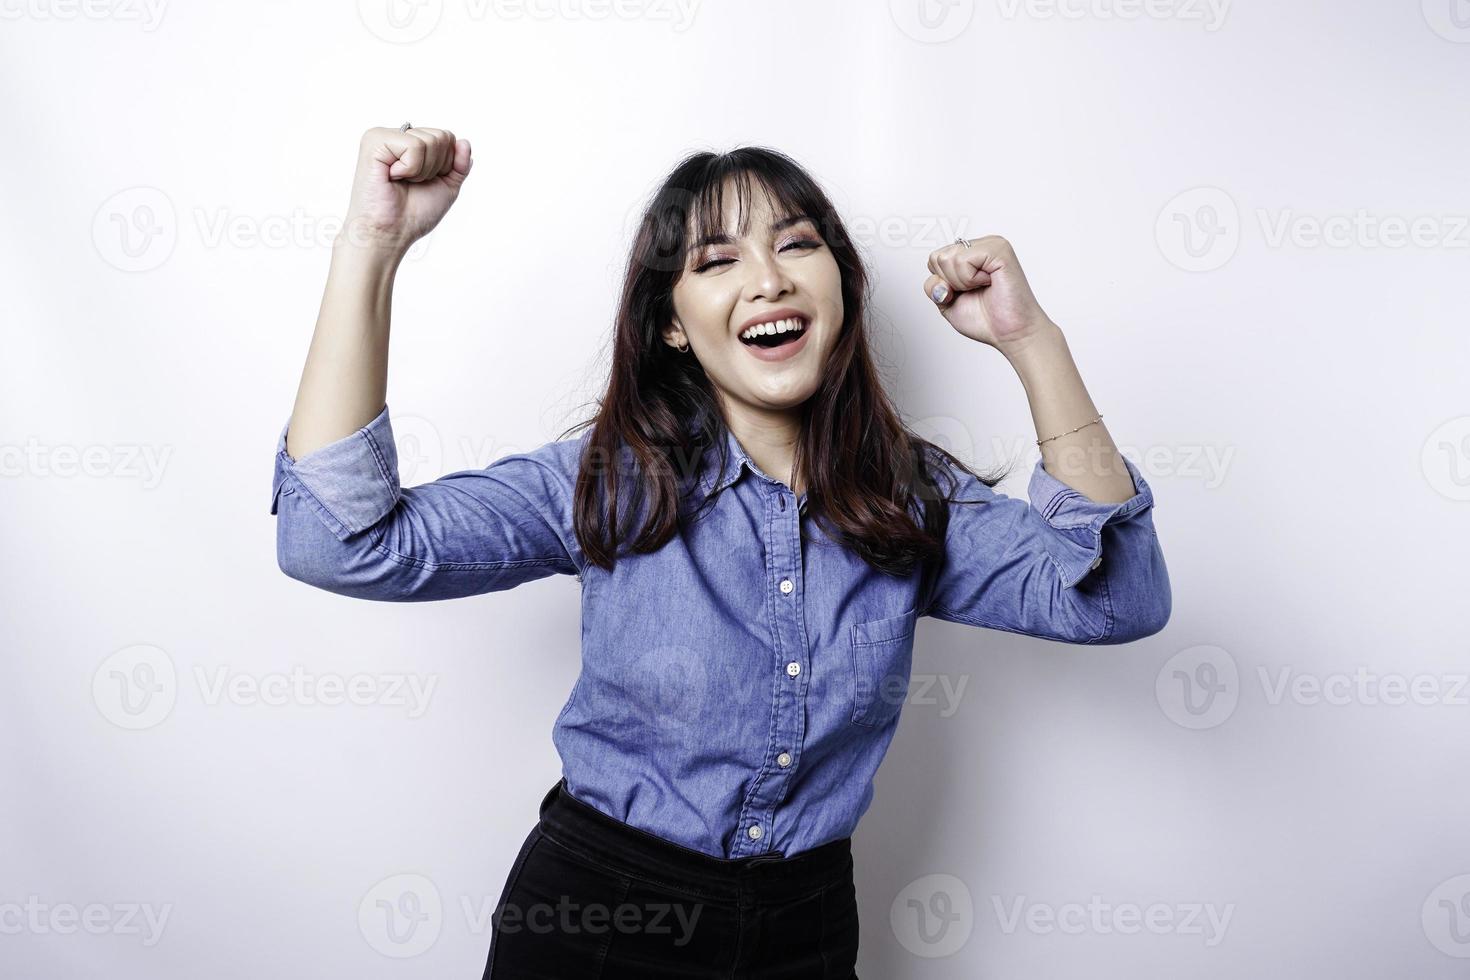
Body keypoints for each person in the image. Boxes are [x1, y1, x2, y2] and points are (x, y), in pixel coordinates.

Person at [269, 125, 1172, 979]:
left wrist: (1032, 344)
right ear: (671, 324)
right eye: (716, 261)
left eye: (797, 245)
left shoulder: (908, 498)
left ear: (844, 289)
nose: (769, 281)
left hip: (806, 927)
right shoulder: (606, 482)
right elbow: (338, 543)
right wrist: (371, 250)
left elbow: (1115, 598)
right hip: (600, 920)